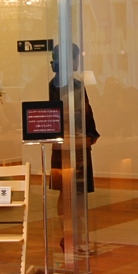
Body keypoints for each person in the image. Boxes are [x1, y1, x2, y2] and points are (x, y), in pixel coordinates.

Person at [48, 43, 99, 194]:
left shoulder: (55, 84)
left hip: (65, 140)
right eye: (77, 58)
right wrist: (91, 134)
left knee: (68, 190)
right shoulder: (73, 85)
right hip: (76, 140)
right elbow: (84, 112)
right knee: (75, 190)